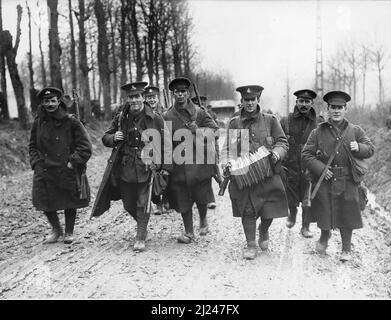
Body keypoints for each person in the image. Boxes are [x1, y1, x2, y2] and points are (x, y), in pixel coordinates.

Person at [91, 81, 172, 252]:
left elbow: (167, 143)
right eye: (131, 97)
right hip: (125, 167)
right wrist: (114, 137)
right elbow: (105, 137)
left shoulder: (155, 118)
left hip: (147, 166)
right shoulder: (121, 118)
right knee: (128, 204)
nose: (134, 100)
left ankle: (140, 236)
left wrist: (164, 167)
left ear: (143, 98)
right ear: (127, 99)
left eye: (137, 96)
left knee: (143, 202)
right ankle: (142, 225)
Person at [302, 91, 374, 262]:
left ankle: (346, 250)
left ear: (345, 109)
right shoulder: (318, 131)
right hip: (325, 179)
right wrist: (320, 168)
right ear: (328, 109)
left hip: (347, 180)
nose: (336, 111)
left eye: (340, 107)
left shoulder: (355, 130)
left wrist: (359, 147)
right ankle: (324, 237)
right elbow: (306, 154)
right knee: (325, 212)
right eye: (333, 107)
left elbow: (370, 148)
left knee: (347, 215)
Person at [221, 85, 289, 260]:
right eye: (246, 100)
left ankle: (264, 230)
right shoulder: (235, 123)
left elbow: (282, 142)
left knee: (270, 209)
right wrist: (227, 162)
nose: (249, 103)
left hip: (267, 174)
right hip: (244, 177)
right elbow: (228, 148)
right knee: (248, 210)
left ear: (258, 100)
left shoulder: (270, 121)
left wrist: (277, 152)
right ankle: (250, 244)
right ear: (241, 101)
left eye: (253, 99)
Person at [28, 87, 92, 244]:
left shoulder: (71, 121)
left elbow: (85, 146)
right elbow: (32, 146)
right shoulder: (38, 121)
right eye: (46, 101)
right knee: (44, 200)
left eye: (52, 101)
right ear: (42, 103)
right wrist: (36, 163)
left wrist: (73, 163)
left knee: (69, 200)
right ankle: (56, 230)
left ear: (58, 101)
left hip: (65, 167)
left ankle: (69, 232)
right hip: (44, 168)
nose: (49, 104)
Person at [163, 77, 219, 243]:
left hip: (199, 161)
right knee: (182, 196)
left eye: (183, 92)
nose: (180, 95)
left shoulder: (199, 112)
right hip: (178, 162)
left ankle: (203, 220)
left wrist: (198, 130)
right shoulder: (167, 115)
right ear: (173, 94)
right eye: (177, 92)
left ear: (188, 93)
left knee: (201, 194)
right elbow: (163, 139)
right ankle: (189, 232)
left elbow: (215, 130)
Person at [280, 89, 323, 238]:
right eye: (301, 101)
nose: (304, 105)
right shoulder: (286, 120)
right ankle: (292, 213)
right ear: (296, 102)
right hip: (290, 164)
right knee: (289, 195)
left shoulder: (319, 122)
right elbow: (280, 140)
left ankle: (305, 227)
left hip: (309, 165)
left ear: (312, 103)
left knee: (308, 197)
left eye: (307, 102)